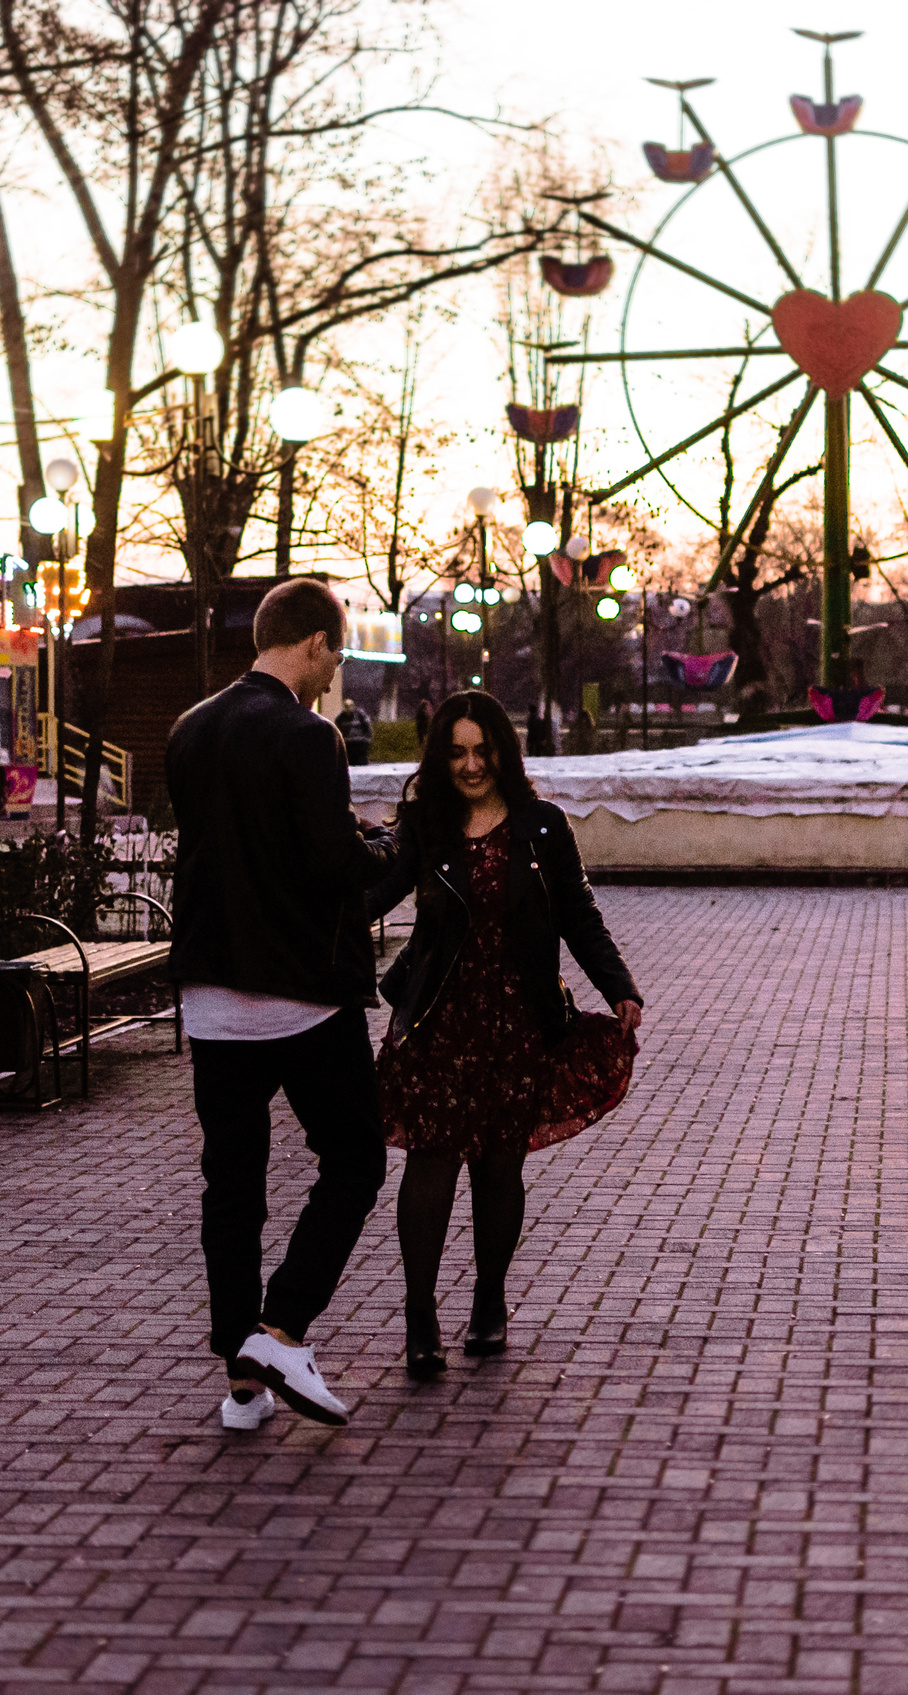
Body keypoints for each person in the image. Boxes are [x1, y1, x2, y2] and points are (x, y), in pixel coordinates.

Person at [166, 579, 394, 1432]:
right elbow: (334, 868)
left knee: (233, 1187)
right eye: (335, 656)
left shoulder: (189, 729)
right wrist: (392, 845)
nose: (333, 675)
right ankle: (282, 1326)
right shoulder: (309, 735)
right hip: (299, 997)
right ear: (315, 644)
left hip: (210, 998)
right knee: (355, 1160)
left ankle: (243, 1383)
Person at [367, 691, 643, 1380]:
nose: (469, 765)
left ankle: (489, 1300)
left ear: (502, 752)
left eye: (480, 751)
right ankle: (421, 1313)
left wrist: (619, 986)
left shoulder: (542, 827)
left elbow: (578, 914)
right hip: (439, 1021)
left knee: (498, 1165)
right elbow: (369, 893)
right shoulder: (425, 825)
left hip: (518, 1021)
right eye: (455, 752)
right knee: (430, 1162)